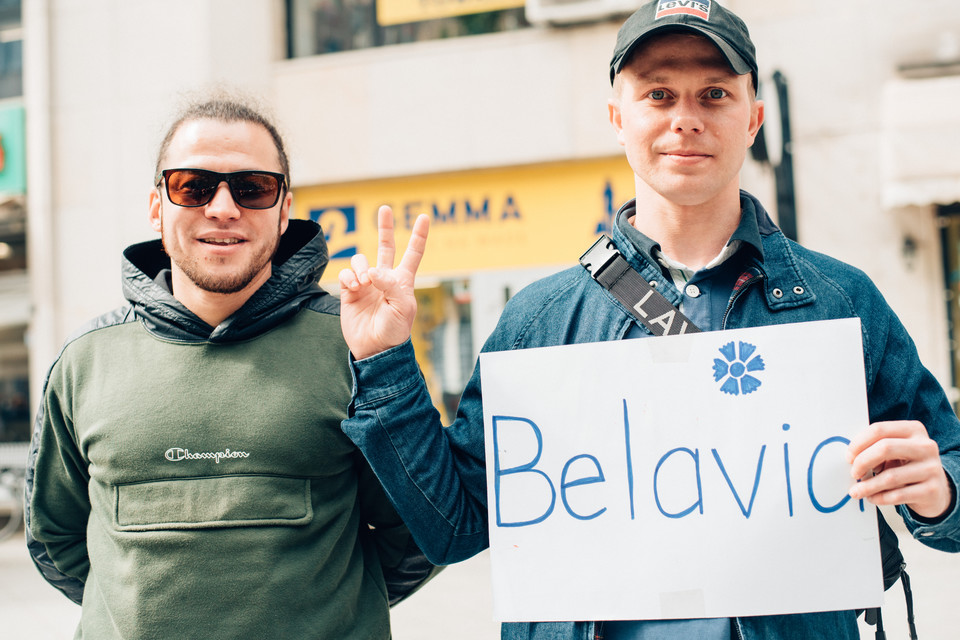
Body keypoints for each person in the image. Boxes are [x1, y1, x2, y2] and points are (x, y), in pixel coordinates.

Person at [336, 1, 960, 639]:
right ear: (617, 118)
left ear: (754, 118)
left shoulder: (839, 301)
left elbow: (953, 481)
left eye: (714, 94)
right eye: (658, 95)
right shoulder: (537, 323)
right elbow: (456, 527)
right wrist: (385, 363)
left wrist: (938, 490)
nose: (684, 119)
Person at [25, 95, 433, 639]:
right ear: (156, 207)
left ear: (284, 210)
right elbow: (55, 536)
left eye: (253, 188)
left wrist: (334, 606)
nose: (222, 207)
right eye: (192, 186)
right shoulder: (86, 360)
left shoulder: (352, 343)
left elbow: (420, 523)